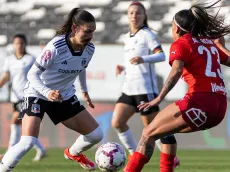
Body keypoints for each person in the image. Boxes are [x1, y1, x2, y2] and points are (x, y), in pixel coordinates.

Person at [124, 1, 230, 172]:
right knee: (162, 130)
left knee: (147, 133)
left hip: (199, 101)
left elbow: (176, 71)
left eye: (172, 25)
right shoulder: (209, 43)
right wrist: (222, 47)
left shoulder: (182, 43)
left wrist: (159, 98)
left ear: (177, 28)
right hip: (219, 109)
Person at [0, 8, 103, 172]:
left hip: (63, 96)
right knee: (28, 142)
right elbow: (33, 74)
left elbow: (82, 67)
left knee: (96, 135)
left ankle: (74, 153)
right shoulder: (56, 46)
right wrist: (47, 92)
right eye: (87, 31)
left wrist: (84, 91)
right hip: (37, 93)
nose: (91, 36)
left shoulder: (89, 49)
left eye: (93, 32)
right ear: (75, 28)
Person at [111, 1, 179, 170]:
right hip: (128, 88)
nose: (135, 16)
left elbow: (161, 55)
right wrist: (124, 67)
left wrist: (144, 59)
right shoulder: (127, 37)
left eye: (138, 13)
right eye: (132, 13)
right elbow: (133, 62)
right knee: (117, 122)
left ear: (144, 16)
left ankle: (172, 157)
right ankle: (133, 153)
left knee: (155, 130)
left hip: (145, 90)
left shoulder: (147, 35)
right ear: (127, 15)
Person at [0, 34, 47, 161]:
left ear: (25, 44)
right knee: (24, 127)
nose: (19, 45)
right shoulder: (9, 60)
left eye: (21, 43)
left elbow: (39, 75)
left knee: (15, 120)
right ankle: (41, 149)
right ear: (13, 45)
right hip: (15, 97)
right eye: (16, 43)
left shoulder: (31, 59)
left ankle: (9, 153)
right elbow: (6, 76)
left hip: (27, 96)